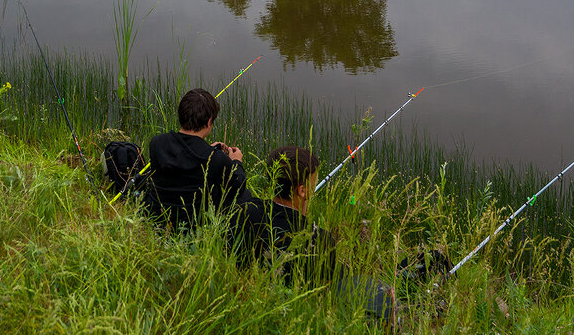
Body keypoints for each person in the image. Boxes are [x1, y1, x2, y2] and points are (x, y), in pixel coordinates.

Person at [236, 145, 395, 325]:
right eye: (314, 179)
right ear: (302, 190)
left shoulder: (247, 211)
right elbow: (323, 290)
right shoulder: (318, 239)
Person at [142, 88, 249, 231]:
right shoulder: (216, 159)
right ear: (209, 121)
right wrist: (236, 162)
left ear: (181, 114)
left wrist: (208, 149)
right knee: (246, 195)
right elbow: (238, 187)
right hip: (193, 228)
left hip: (160, 220)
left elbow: (184, 155)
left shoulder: (157, 143)